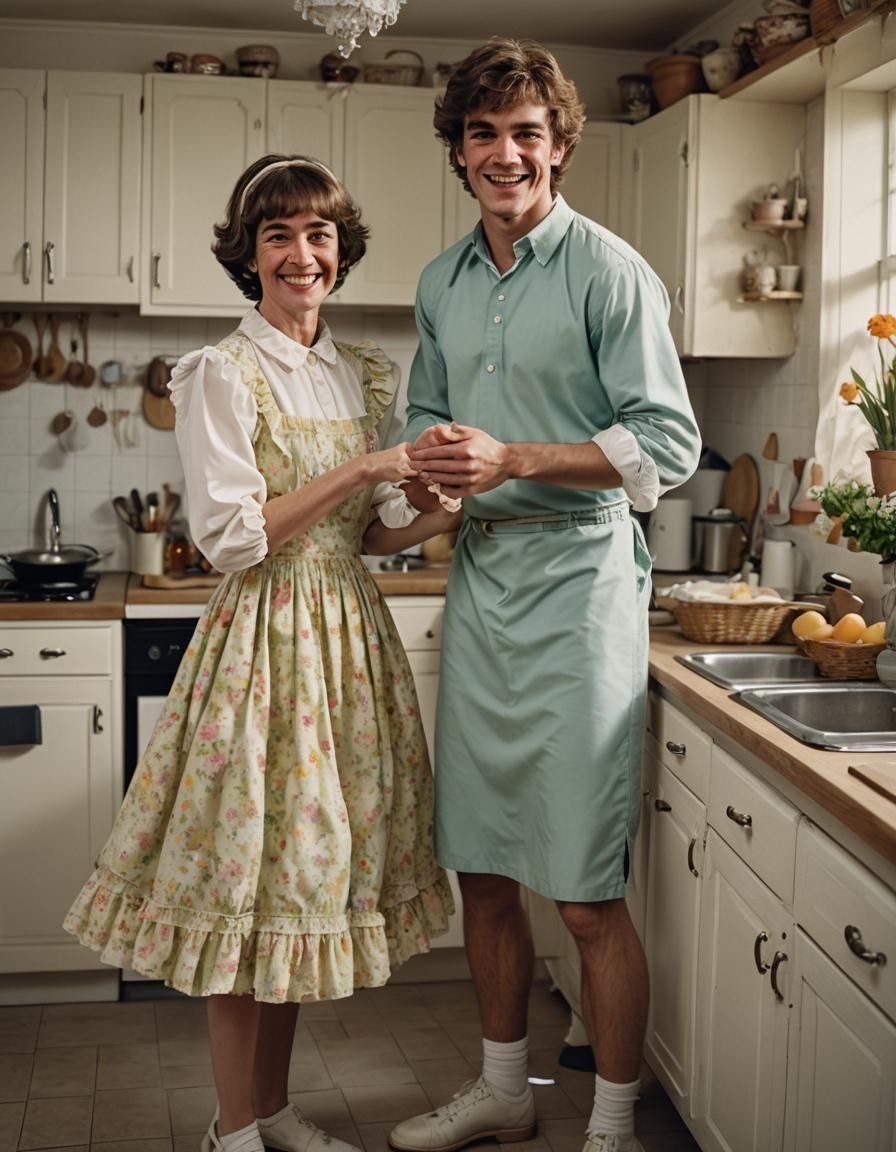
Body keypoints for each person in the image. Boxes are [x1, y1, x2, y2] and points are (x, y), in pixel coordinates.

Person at [64, 153, 457, 1152]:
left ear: (340, 251)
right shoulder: (218, 373)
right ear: (248, 256)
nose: (300, 254)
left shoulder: (360, 369)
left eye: (317, 234)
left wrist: (443, 501)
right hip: (264, 642)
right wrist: (366, 465)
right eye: (277, 236)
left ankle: (268, 1113)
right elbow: (233, 536)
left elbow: (369, 533)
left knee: (296, 891)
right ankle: (231, 1128)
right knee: (244, 890)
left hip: (346, 646)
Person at [387, 39, 700, 1152]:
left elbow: (665, 442)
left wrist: (516, 458)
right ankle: (502, 1091)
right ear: (459, 152)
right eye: (483, 133)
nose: (504, 152)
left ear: (559, 146)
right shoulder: (439, 281)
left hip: (577, 586)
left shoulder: (610, 271)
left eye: (525, 132)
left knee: (579, 888)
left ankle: (610, 1125)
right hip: (483, 585)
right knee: (480, 866)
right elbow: (419, 425)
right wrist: (408, 481)